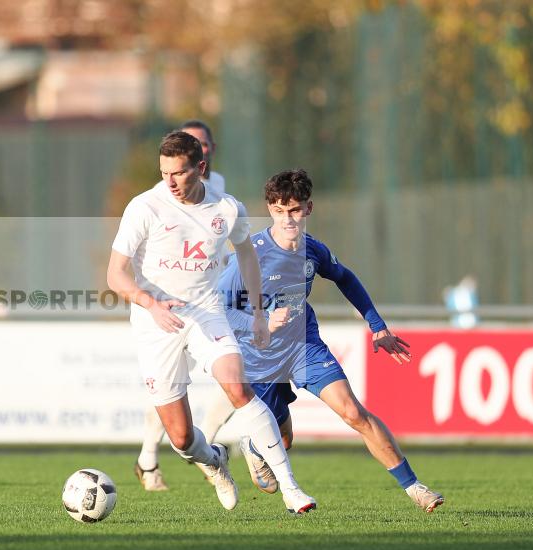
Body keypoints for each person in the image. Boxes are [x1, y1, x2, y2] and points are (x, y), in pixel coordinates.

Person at [108, 131, 316, 514]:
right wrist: (151, 304)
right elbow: (115, 274)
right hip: (156, 323)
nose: (170, 182)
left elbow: (247, 255)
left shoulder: (227, 209)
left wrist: (258, 313)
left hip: (206, 311)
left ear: (200, 167)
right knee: (182, 438)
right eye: (164, 173)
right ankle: (214, 460)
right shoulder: (144, 207)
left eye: (178, 173)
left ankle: (291, 489)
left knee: (239, 387)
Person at [219, 168, 444, 512]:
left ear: (308, 208)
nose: (287, 219)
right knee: (283, 440)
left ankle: (415, 488)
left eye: (295, 210)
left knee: (352, 411)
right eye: (279, 211)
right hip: (259, 356)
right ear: (270, 210)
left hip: (303, 345)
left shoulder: (313, 250)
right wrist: (258, 322)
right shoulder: (251, 255)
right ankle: (253, 445)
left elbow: (345, 277)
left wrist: (377, 325)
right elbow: (219, 308)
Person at [134, 119, 236, 492]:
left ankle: (208, 447)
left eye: (203, 143)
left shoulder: (219, 189)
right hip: (167, 308)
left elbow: (226, 239)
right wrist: (149, 300)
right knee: (169, 391)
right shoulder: (156, 198)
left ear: (207, 154)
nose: (198, 147)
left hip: (211, 300)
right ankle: (149, 458)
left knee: (238, 375)